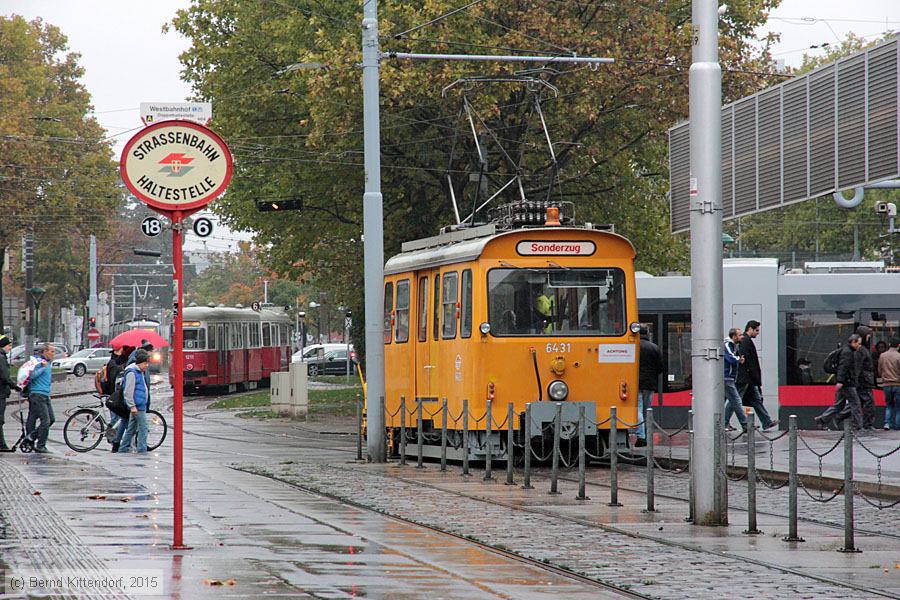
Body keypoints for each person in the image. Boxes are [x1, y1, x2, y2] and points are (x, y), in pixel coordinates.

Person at [815, 333, 863, 430]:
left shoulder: (846, 350)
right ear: (853, 342)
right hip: (847, 383)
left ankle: (822, 419)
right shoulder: (848, 352)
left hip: (844, 382)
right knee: (856, 404)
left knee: (839, 405)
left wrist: (840, 381)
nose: (859, 345)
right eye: (858, 343)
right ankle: (857, 426)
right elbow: (843, 367)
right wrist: (840, 381)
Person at [736, 320, 777, 430]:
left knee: (756, 400)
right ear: (750, 329)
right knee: (735, 400)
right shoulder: (745, 341)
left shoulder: (747, 340)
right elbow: (745, 360)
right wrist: (751, 376)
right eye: (757, 330)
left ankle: (767, 422)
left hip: (750, 379)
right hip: (746, 378)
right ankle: (727, 422)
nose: (758, 333)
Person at [117, 349, 151, 454]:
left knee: (131, 428)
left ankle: (123, 448)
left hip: (139, 404)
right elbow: (128, 391)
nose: (147, 366)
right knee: (143, 428)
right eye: (145, 363)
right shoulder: (132, 372)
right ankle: (142, 449)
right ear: (140, 363)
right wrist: (132, 406)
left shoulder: (139, 371)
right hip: (137, 405)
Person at [25, 343, 56, 453]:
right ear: (44, 352)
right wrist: (42, 368)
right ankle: (40, 445)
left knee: (51, 419)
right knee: (46, 420)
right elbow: (31, 376)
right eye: (52, 351)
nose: (54, 354)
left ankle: (31, 436)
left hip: (45, 394)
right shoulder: (39, 362)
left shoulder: (47, 362)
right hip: (37, 394)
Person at [635, 327, 663, 446]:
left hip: (636, 382)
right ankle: (647, 434)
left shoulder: (634, 347)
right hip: (650, 383)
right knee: (647, 409)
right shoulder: (654, 348)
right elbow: (660, 367)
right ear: (647, 333)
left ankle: (641, 436)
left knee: (638, 408)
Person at [103, 347, 129, 452]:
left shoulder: (113, 362)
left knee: (117, 418)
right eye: (120, 351)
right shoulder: (113, 364)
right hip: (113, 396)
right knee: (116, 419)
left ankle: (115, 441)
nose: (122, 353)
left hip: (112, 395)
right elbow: (114, 380)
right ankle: (113, 439)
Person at [722, 328, 748, 433]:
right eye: (740, 335)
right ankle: (745, 424)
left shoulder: (733, 345)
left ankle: (724, 423)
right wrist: (739, 360)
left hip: (729, 377)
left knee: (729, 401)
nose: (742, 337)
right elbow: (730, 358)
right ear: (734, 336)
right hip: (727, 377)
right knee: (736, 400)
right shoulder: (728, 344)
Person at [0, 336, 20, 450]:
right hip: (1, 392)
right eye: (8, 345)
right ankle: (1, 445)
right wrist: (15, 386)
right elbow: (5, 376)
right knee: (0, 419)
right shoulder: (1, 358)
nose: (10, 348)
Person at [855, 326, 877, 430]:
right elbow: (858, 366)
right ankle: (867, 424)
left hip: (864, 380)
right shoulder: (861, 350)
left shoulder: (862, 349)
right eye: (868, 335)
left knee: (857, 403)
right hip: (864, 381)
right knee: (869, 403)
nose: (869, 337)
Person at [879, 338, 900, 431]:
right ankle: (897, 425)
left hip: (886, 384)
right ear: (898, 345)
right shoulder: (899, 356)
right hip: (898, 384)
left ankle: (887, 423)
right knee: (899, 406)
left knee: (889, 405)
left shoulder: (882, 356)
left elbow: (880, 370)